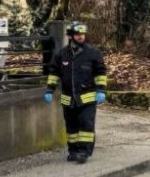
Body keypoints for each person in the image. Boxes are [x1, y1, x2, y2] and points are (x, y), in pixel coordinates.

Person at [45, 21, 107, 164]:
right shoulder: (62, 54)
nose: (81, 37)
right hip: (68, 99)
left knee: (86, 124)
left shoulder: (93, 53)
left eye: (83, 34)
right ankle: (73, 151)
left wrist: (101, 90)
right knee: (71, 126)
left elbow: (100, 73)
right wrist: (49, 90)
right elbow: (54, 73)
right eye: (78, 34)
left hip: (87, 98)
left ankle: (84, 152)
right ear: (71, 36)